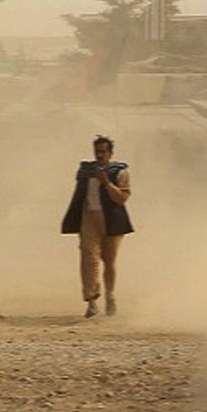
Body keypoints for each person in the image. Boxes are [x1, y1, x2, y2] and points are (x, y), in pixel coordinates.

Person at [61, 135, 133, 318]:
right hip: (89, 219)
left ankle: (110, 296)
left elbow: (122, 198)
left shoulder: (120, 172)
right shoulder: (86, 172)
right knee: (89, 258)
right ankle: (92, 300)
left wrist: (106, 183)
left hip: (112, 220)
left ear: (110, 153)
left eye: (103, 152)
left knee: (109, 261)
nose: (100, 156)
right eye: (97, 152)